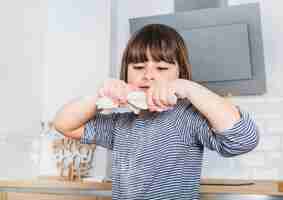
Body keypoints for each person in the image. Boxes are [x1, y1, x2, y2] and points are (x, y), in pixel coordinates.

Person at [53, 24, 259, 200]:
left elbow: (243, 139)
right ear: (126, 73)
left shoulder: (187, 117)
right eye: (138, 66)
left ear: (181, 74)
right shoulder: (119, 123)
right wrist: (100, 95)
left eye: (161, 68)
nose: (148, 75)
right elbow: (64, 124)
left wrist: (189, 88)